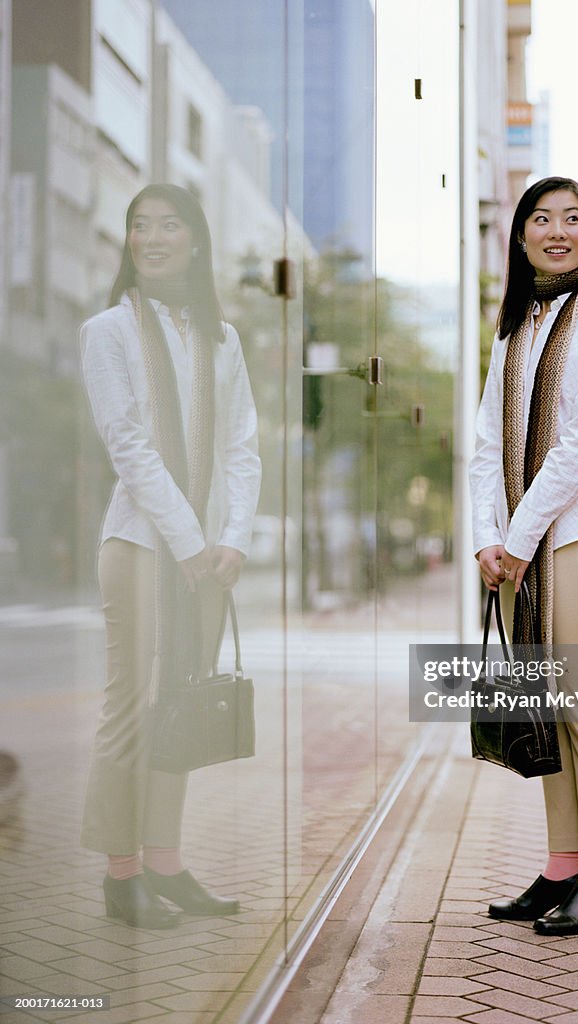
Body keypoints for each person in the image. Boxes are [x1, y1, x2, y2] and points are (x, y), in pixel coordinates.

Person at [80, 184, 262, 928]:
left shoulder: (220, 336)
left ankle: (166, 863)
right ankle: (121, 874)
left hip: (206, 557)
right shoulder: (108, 331)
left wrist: (232, 540)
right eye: (139, 226)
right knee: (132, 704)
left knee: (179, 705)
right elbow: (127, 443)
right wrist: (189, 542)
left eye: (168, 224)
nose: (152, 237)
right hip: (142, 547)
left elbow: (242, 445)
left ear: (194, 240)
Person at [469, 176, 578, 936]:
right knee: (546, 711)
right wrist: (486, 535)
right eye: (541, 219)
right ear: (519, 237)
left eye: (571, 219)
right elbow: (485, 444)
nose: (556, 230)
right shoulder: (516, 328)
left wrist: (516, 536)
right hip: (517, 552)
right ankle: (561, 867)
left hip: (570, 543)